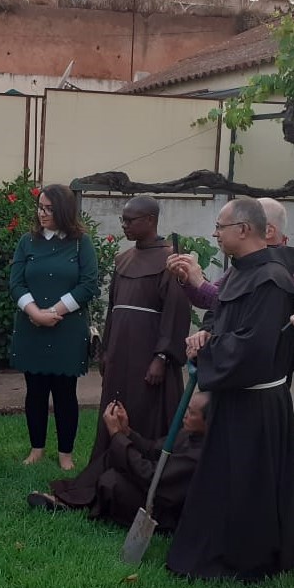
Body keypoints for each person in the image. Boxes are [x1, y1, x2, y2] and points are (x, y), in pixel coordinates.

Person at [167, 198, 294, 582]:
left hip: (257, 402)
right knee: (223, 478)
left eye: (220, 227)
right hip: (235, 397)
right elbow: (224, 318)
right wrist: (208, 332)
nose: (215, 234)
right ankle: (213, 545)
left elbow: (254, 347)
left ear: (244, 229)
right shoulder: (240, 272)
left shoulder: (272, 279)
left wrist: (208, 348)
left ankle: (244, 558)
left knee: (247, 483)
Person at [91, 196, 191, 458]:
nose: (124, 225)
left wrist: (161, 356)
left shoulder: (172, 260)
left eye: (130, 220)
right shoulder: (122, 259)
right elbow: (114, 309)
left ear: (150, 220)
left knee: (145, 410)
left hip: (149, 353)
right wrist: (105, 351)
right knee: (115, 403)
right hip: (119, 350)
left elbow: (176, 313)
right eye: (122, 220)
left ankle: (143, 465)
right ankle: (111, 463)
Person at [9, 184, 99, 471]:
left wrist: (54, 311)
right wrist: (34, 311)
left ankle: (65, 454)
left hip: (66, 328)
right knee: (35, 391)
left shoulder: (80, 243)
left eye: (49, 208)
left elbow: (89, 283)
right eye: (40, 207)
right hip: (31, 326)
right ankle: (36, 449)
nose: (42, 213)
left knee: (64, 393)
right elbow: (16, 282)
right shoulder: (27, 241)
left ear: (63, 209)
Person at [29, 392, 209, 532]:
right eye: (186, 409)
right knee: (112, 456)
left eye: (191, 413)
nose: (185, 415)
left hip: (164, 510)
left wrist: (116, 435)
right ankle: (67, 500)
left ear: (209, 421)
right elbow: (153, 449)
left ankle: (79, 502)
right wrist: (126, 431)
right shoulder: (188, 434)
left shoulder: (199, 455)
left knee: (111, 481)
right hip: (151, 488)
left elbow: (150, 476)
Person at [166, 197, 294, 309]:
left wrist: (200, 283)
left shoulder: (276, 274)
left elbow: (235, 310)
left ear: (268, 231)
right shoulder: (243, 264)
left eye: (220, 227)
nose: (215, 234)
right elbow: (212, 305)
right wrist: (188, 278)